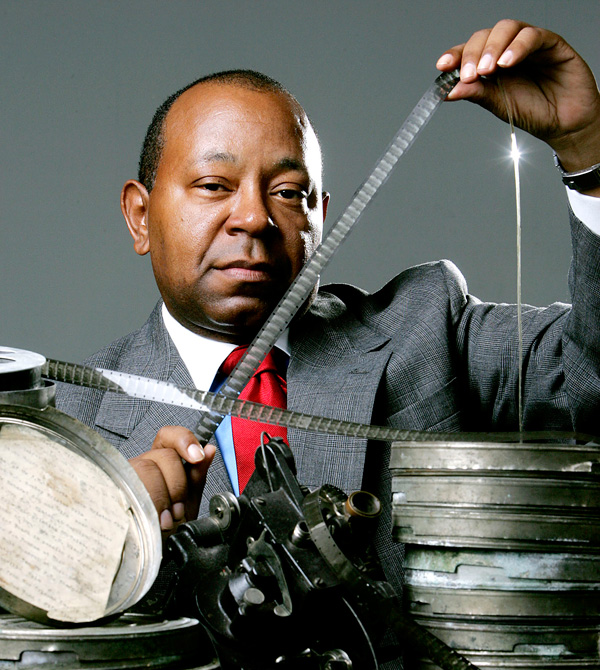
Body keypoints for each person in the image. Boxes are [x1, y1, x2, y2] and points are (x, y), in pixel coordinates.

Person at [56, 19, 600, 603]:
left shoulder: (425, 327)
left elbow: (587, 376)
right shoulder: (67, 423)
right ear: (140, 215)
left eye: (289, 193)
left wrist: (588, 148)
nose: (255, 218)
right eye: (215, 185)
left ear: (321, 214)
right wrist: (99, 542)